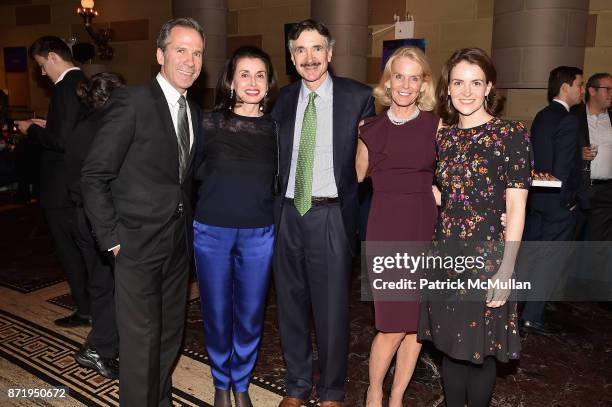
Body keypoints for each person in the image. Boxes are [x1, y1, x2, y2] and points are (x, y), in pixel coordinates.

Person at [81, 18, 204, 406]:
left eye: (197, 52)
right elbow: (94, 174)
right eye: (180, 50)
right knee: (138, 345)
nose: (190, 60)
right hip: (134, 244)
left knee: (169, 336)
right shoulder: (131, 101)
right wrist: (113, 240)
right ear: (159, 55)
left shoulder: (192, 111)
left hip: (177, 245)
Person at [418, 48, 531, 407]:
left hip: (488, 259)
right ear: (447, 89)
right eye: (458, 82)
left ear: (489, 87)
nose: (466, 91)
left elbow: (516, 206)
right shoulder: (444, 138)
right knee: (452, 349)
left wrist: (507, 268)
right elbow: (444, 192)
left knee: (480, 350)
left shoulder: (510, 134)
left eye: (475, 82)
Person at [271, 19, 375, 407]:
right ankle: (296, 385)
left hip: (332, 215)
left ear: (330, 53)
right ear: (292, 56)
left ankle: (331, 391)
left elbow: (373, 154)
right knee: (290, 304)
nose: (309, 58)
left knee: (332, 310)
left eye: (317, 49)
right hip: (286, 213)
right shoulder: (280, 100)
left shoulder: (357, 96)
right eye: (300, 50)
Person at [193, 46, 277, 407]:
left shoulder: (277, 129)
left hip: (260, 232)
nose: (253, 82)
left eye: (260, 75)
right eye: (245, 74)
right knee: (215, 310)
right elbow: (189, 173)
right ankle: (220, 382)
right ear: (230, 80)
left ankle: (241, 382)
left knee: (251, 313)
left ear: (269, 83)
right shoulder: (207, 124)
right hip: (211, 230)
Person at [355, 46, 439, 407]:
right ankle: (374, 389)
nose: (406, 84)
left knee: (416, 327)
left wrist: (443, 190)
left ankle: (397, 397)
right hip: (386, 227)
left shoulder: (438, 126)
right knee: (391, 325)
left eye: (414, 77)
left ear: (423, 85)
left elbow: (456, 174)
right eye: (399, 76)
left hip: (424, 224)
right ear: (387, 83)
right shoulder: (369, 129)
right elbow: (355, 178)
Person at [15, 36, 91, 327]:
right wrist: (47, 126)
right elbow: (72, 132)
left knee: (69, 250)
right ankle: (91, 304)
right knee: (83, 247)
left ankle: (85, 309)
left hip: (60, 186)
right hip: (76, 182)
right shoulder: (82, 82)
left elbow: (61, 141)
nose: (42, 72)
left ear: (52, 57)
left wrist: (30, 130)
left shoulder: (63, 88)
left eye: (41, 65)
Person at [67, 72, 124, 379]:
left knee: (102, 286)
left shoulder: (84, 126)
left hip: (83, 216)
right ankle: (99, 349)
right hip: (98, 220)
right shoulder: (104, 130)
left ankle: (99, 345)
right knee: (111, 288)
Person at [521, 66, 587, 335]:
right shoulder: (569, 120)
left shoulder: (542, 116)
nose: (582, 91)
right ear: (565, 87)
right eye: (580, 85)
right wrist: (570, 201)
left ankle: (516, 308)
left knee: (529, 257)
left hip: (537, 200)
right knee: (548, 263)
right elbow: (561, 169)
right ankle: (533, 316)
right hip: (558, 204)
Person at [576, 73, 612, 241]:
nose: (611, 94)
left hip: (606, 191)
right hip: (579, 188)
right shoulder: (574, 117)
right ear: (592, 90)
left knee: (599, 243)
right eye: (608, 89)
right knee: (573, 240)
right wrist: (578, 154)